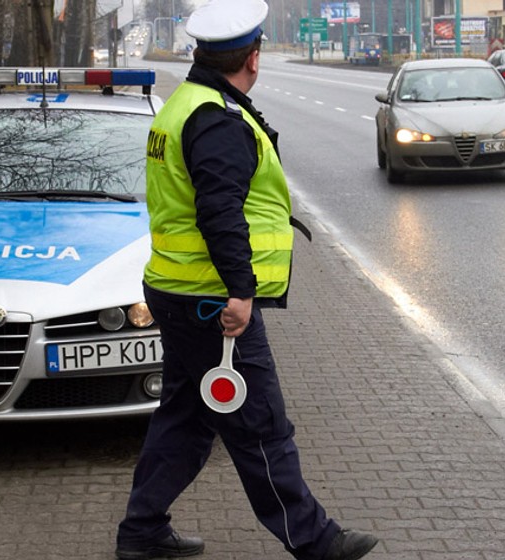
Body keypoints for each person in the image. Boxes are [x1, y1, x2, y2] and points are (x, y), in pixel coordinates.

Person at [114, 1, 379, 559]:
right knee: (259, 425)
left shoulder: (185, 105)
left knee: (186, 419)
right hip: (211, 300)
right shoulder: (216, 119)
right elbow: (219, 212)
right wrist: (240, 291)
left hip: (178, 288)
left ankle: (142, 531)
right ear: (253, 58)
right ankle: (316, 541)